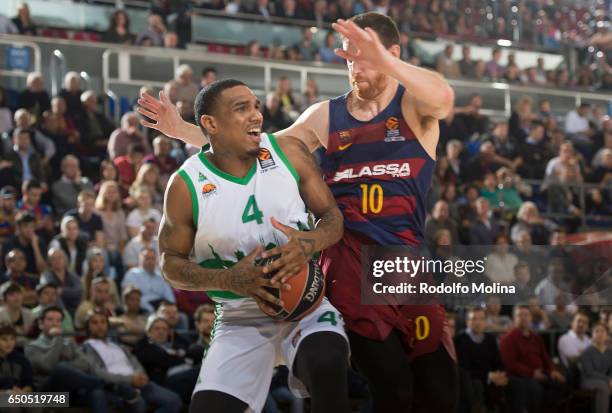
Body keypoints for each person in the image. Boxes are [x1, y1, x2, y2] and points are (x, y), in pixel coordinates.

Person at [138, 12, 457, 412]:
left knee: (443, 391)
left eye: (368, 57)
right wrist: (184, 130)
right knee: (393, 390)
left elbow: (444, 98)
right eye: (351, 58)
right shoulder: (326, 116)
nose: (356, 66)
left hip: (406, 267)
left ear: (393, 54)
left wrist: (387, 61)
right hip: (348, 267)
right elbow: (254, 145)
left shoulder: (413, 109)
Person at [156, 79, 349, 413]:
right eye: (241, 108)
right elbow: (170, 263)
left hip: (305, 302)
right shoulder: (186, 184)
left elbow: (332, 217)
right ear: (210, 124)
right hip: (238, 315)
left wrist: (312, 241)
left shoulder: (288, 151)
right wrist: (228, 279)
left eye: (256, 106)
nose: (256, 115)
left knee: (327, 364)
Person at [81, 309, 182, 413]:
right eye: (95, 322)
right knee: (138, 403)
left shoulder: (118, 346)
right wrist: (130, 380)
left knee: (174, 400)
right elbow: (98, 372)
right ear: (88, 327)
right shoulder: (86, 348)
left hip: (139, 383)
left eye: (103, 322)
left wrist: (141, 377)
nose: (100, 326)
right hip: (117, 386)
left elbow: (135, 363)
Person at [25, 306, 109, 412]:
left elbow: (85, 363)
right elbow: (48, 366)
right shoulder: (32, 347)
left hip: (71, 392)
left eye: (59, 320)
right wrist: (57, 338)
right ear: (41, 324)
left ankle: (100, 385)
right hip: (48, 395)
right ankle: (104, 384)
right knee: (60, 368)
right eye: (50, 320)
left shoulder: (69, 343)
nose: (55, 323)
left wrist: (66, 367)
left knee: (97, 393)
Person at [499, 305, 569, 413]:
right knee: (535, 388)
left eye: (526, 315)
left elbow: (545, 356)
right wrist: (532, 373)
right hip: (519, 376)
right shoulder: (508, 339)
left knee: (561, 384)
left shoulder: (535, 337)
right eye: (519, 315)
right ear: (514, 319)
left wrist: (552, 370)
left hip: (540, 373)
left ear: (531, 318)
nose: (523, 318)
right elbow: (510, 364)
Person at [454, 307, 511, 413]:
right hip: (471, 380)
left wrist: (501, 373)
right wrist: (488, 376)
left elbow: (498, 361)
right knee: (477, 385)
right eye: (474, 319)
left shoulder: (490, 339)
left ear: (485, 322)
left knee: (512, 383)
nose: (478, 323)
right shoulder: (460, 340)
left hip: (491, 378)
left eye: (481, 319)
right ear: (467, 322)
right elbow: (464, 369)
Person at [121, 248, 174, 313]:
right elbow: (132, 298)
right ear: (139, 260)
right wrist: (151, 309)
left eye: (153, 258)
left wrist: (170, 308)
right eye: (147, 258)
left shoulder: (161, 276)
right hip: (142, 308)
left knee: (182, 317)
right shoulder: (132, 274)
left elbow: (170, 297)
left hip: (161, 307)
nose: (150, 261)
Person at [580, 323, 612, 413]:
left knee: (604, 384)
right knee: (603, 385)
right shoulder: (587, 352)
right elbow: (589, 372)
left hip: (605, 380)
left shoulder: (610, 352)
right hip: (588, 380)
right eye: (596, 331)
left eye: (603, 331)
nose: (600, 333)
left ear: (607, 335)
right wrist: (608, 380)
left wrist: (610, 379)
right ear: (592, 335)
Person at [0, 323, 34, 401]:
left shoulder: (21, 359)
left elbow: (29, 384)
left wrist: (22, 392)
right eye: (4, 339)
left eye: (12, 339)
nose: (9, 343)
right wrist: (5, 393)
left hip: (19, 396)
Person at [0, 282, 34, 348]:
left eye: (18, 293)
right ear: (4, 299)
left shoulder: (29, 314)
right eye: (11, 294)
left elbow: (33, 337)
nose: (16, 297)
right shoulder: (0, 314)